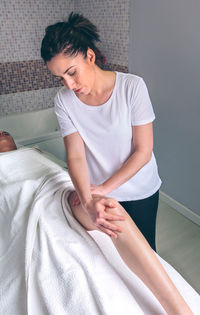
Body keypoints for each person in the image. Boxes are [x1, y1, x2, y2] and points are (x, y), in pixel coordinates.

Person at [0, 132, 194, 314]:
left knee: (110, 210)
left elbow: (66, 170)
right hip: (28, 202)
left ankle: (180, 310)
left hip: (62, 195)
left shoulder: (34, 152)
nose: (2, 133)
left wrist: (86, 196)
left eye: (4, 130)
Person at [41, 12, 162, 251]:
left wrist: (104, 188)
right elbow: (75, 155)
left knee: (147, 253)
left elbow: (143, 151)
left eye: (72, 72)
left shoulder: (132, 87)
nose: (69, 85)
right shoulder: (64, 101)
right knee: (110, 260)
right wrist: (87, 199)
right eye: (60, 78)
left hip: (139, 191)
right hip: (99, 195)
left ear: (90, 56)